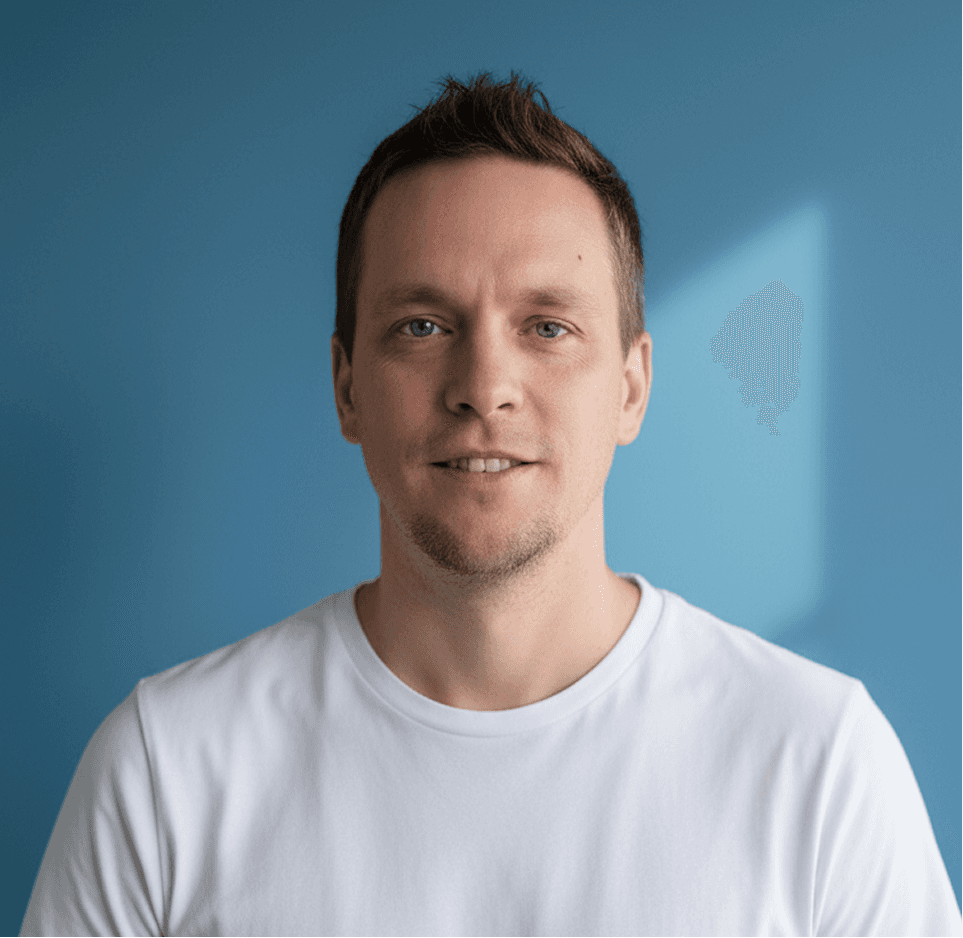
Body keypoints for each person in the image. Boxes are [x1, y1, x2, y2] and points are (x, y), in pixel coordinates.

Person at [21, 71, 961, 938]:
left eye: (547, 327)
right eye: (422, 326)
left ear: (631, 388)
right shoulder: (166, 771)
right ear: (346, 389)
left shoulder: (816, 762)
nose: (483, 387)